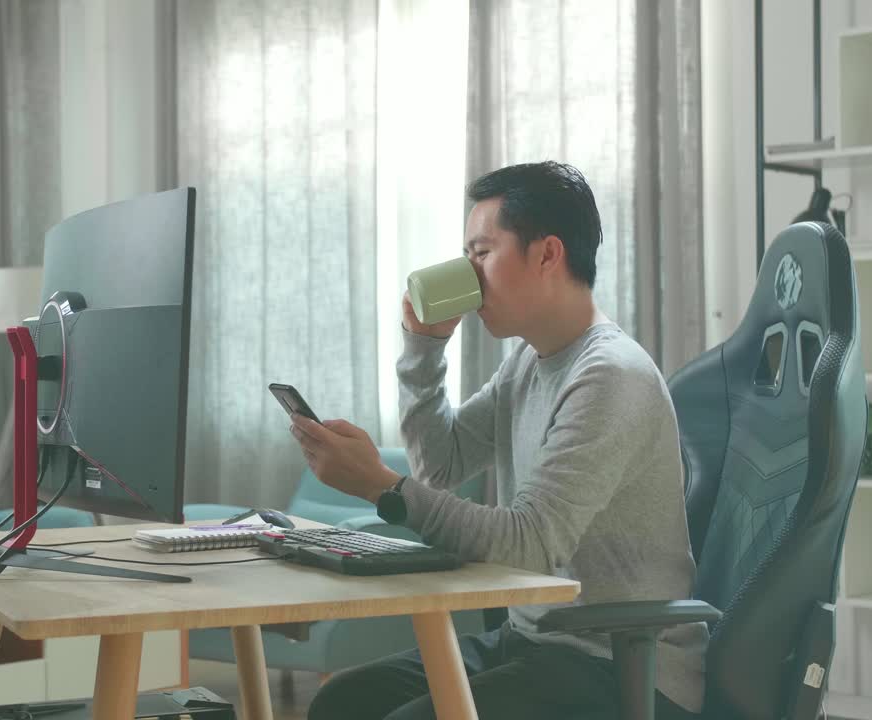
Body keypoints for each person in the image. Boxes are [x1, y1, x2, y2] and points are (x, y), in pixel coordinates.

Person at [288, 161, 706, 720]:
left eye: (481, 253)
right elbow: (442, 463)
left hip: (620, 667)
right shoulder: (529, 363)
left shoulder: (610, 375)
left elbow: (532, 543)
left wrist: (382, 489)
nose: (469, 272)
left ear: (547, 254)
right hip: (538, 642)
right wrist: (423, 347)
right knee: (344, 702)